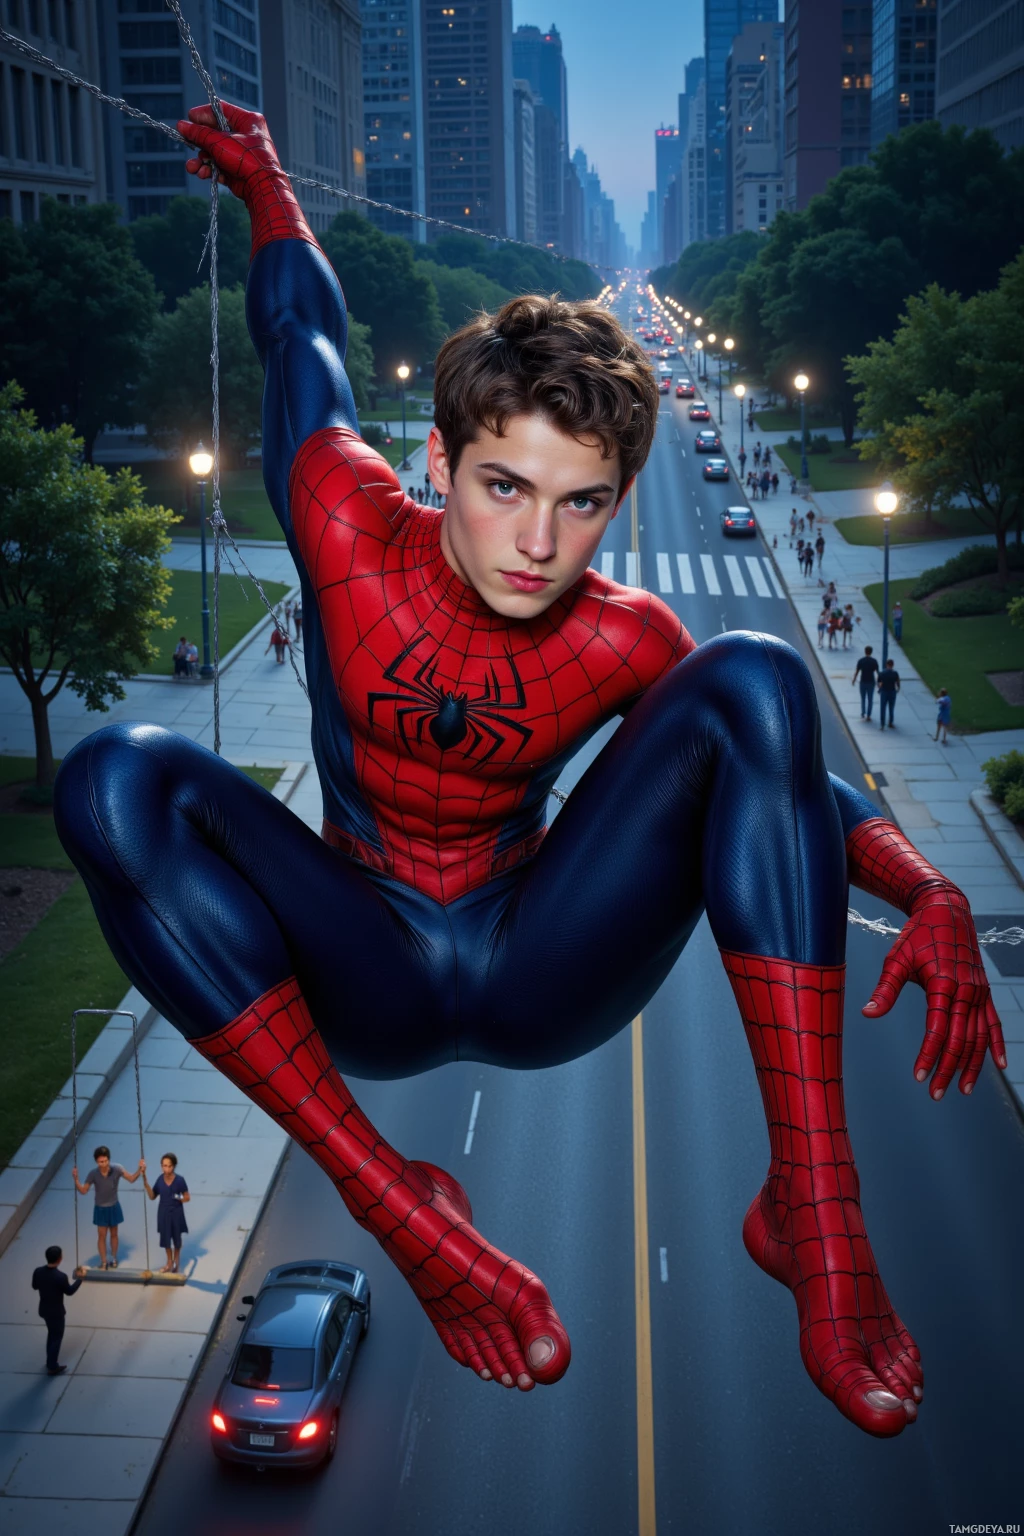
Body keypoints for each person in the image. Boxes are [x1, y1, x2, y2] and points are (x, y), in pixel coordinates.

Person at [53, 101, 1004, 1439]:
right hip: (361, 963)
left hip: (542, 958)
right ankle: (401, 1206)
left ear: (616, 499)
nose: (537, 544)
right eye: (505, 487)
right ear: (438, 460)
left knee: (757, 678)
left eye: (582, 503)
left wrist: (930, 891)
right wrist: (269, 182)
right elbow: (299, 337)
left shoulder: (625, 635)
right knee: (114, 775)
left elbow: (783, 785)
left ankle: (816, 1213)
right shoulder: (340, 518)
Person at [72, 1146, 146, 1269]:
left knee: (114, 1234)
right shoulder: (93, 1174)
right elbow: (84, 1190)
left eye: (106, 1161)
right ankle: (104, 1261)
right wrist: (76, 1180)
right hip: (100, 1209)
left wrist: (140, 1169)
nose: (104, 1164)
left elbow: (131, 1179)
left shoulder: (117, 1169)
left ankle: (113, 1258)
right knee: (101, 1236)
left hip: (114, 1206)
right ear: (97, 1162)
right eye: (101, 1162)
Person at [32, 1245, 83, 1375]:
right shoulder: (60, 1276)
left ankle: (49, 1360)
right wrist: (80, 1279)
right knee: (56, 1337)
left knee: (51, 1334)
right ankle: (52, 1366)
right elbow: (70, 1291)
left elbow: (34, 1286)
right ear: (60, 1259)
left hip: (44, 1310)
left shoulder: (38, 1271)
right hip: (56, 1312)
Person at [144, 1153, 190, 1273]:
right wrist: (146, 1184)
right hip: (163, 1212)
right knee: (165, 1239)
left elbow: (187, 1197)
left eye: (169, 1166)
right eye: (164, 1166)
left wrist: (179, 1198)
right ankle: (169, 1262)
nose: (167, 1169)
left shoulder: (180, 1180)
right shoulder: (160, 1179)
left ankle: (176, 1262)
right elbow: (152, 1196)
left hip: (176, 1212)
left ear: (174, 1166)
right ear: (161, 1166)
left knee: (176, 1239)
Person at [853, 645, 880, 721]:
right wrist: (879, 683)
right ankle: (868, 715)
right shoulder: (874, 661)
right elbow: (878, 673)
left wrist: (854, 680)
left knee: (863, 698)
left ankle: (863, 713)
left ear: (865, 651)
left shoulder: (861, 661)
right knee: (870, 699)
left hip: (863, 681)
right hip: (871, 682)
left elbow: (857, 672)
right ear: (871, 652)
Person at [878, 659, 900, 729]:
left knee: (883, 708)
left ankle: (882, 724)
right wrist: (898, 689)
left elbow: (879, 682)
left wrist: (880, 688)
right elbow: (897, 682)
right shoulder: (895, 673)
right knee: (891, 708)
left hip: (884, 691)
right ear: (892, 665)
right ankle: (890, 722)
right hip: (892, 691)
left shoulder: (882, 673)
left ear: (886, 664)